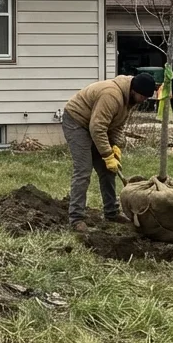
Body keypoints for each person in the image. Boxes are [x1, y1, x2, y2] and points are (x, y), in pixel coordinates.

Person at [62, 73, 157, 231]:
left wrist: (115, 147)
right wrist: (107, 155)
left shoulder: (129, 99)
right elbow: (97, 127)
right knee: (83, 170)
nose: (143, 101)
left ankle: (111, 212)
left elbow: (117, 125)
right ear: (134, 90)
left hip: (94, 124)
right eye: (142, 97)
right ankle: (76, 218)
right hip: (77, 121)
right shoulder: (111, 95)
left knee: (108, 170)